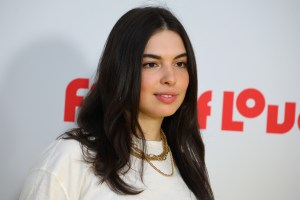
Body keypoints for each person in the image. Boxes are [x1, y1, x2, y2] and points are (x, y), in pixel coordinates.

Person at [19, 6, 214, 200]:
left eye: (180, 63)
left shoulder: (187, 162)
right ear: (121, 71)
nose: (171, 78)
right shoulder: (71, 157)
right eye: (151, 64)